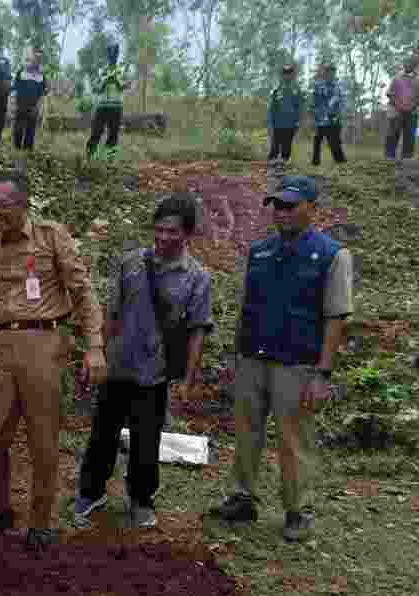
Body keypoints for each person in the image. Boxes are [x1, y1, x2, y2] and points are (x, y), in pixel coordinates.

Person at [0, 171, 106, 552]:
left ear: (22, 205)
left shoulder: (51, 237)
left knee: (43, 442)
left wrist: (94, 346)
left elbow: (82, 292)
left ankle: (39, 522)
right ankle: (0, 508)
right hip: (4, 348)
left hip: (45, 343)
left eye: (1, 206)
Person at [211, 176, 353, 543]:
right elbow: (247, 307)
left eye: (291, 205)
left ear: (312, 208)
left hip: (297, 364)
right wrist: (236, 356)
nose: (282, 212)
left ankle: (297, 509)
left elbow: (336, 318)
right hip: (253, 359)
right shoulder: (259, 251)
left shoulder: (332, 255)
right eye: (277, 205)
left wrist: (323, 374)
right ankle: (242, 497)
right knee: (246, 434)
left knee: (294, 440)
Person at [73, 194, 213, 530]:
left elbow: (197, 331)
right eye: (159, 230)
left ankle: (140, 499)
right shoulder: (131, 263)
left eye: (173, 232)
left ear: (187, 234)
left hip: (155, 371)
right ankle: (91, 492)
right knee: (102, 433)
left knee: (146, 438)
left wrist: (189, 379)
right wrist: (96, 352)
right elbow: (112, 313)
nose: (164, 238)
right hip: (117, 364)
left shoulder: (196, 277)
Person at [86, 44, 129, 159]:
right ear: (107, 55)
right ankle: (89, 158)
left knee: (113, 135)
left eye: (115, 53)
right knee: (96, 132)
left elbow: (126, 86)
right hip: (102, 106)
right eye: (111, 53)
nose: (113, 56)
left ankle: (109, 160)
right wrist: (104, 83)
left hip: (116, 107)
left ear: (117, 55)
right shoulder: (101, 70)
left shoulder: (122, 70)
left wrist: (118, 83)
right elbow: (95, 88)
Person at [310, 63, 347, 166]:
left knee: (334, 141)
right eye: (327, 71)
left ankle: (340, 161)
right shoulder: (318, 85)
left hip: (335, 117)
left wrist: (340, 114)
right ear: (324, 73)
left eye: (332, 71)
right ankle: (315, 162)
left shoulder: (339, 86)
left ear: (334, 73)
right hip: (321, 118)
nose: (329, 73)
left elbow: (343, 101)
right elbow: (315, 101)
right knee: (317, 139)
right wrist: (314, 113)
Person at [267, 64, 304, 165]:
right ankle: (271, 168)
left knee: (287, 147)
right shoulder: (276, 90)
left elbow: (299, 108)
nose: (287, 75)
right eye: (285, 73)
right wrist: (270, 123)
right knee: (274, 146)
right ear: (282, 75)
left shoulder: (297, 91)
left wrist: (298, 122)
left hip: (290, 124)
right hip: (277, 124)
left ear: (292, 75)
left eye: (289, 73)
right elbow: (271, 108)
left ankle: (283, 167)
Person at [13, 47, 48, 152]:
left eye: (40, 58)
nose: (37, 60)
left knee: (30, 132)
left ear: (41, 60)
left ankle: (27, 154)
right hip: (21, 106)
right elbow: (15, 89)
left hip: (33, 107)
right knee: (18, 129)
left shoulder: (42, 76)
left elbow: (43, 94)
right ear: (32, 57)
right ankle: (16, 150)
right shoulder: (22, 72)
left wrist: (39, 108)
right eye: (36, 57)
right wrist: (13, 104)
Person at [384, 60, 417, 161]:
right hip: (396, 111)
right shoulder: (396, 78)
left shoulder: (417, 79)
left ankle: (407, 157)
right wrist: (399, 105)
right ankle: (389, 156)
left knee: (410, 135)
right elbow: (389, 93)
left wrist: (412, 106)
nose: (408, 66)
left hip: (412, 111)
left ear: (414, 66)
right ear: (403, 65)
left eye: (411, 64)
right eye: (406, 64)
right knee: (393, 133)